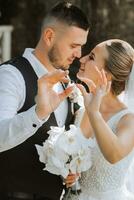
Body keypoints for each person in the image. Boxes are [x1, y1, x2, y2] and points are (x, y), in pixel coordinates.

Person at [0, 1, 89, 200]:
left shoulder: (68, 85)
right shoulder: (10, 76)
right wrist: (38, 113)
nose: (79, 54)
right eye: (74, 45)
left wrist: (69, 169)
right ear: (49, 36)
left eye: (81, 47)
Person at [65, 39, 134, 200]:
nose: (82, 59)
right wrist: (68, 174)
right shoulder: (80, 110)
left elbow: (114, 154)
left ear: (107, 74)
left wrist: (94, 113)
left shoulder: (128, 119)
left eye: (91, 57)